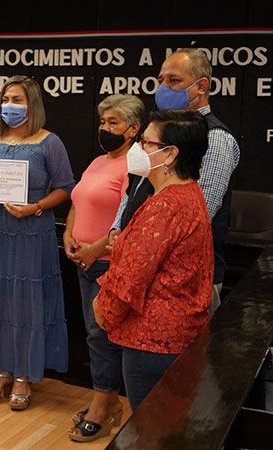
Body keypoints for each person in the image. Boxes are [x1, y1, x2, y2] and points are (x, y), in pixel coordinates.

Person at [0, 75, 75, 411]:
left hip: (31, 233)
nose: (9, 105)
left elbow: (66, 188)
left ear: (32, 105)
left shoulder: (49, 142)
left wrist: (35, 207)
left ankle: (24, 374)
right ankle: (0, 372)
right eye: (6, 99)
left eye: (18, 100)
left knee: (27, 304)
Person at [95, 110, 213, 416]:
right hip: (176, 336)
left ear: (170, 154)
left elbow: (131, 278)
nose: (137, 148)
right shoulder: (188, 193)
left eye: (146, 142)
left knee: (150, 430)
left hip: (152, 342)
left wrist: (104, 308)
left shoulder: (165, 205)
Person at [108, 48, 240, 316]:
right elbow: (134, 187)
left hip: (182, 281)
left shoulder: (215, 138)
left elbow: (198, 214)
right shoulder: (157, 131)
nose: (163, 88)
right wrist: (117, 228)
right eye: (160, 80)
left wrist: (137, 243)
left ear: (201, 86)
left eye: (174, 81)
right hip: (139, 266)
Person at [63, 95, 144, 442]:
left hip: (108, 264)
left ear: (134, 128)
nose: (105, 129)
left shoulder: (135, 165)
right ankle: (107, 401)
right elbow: (77, 202)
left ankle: (102, 409)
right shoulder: (98, 161)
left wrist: (95, 250)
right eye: (103, 122)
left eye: (113, 123)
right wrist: (68, 234)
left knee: (102, 336)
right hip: (83, 262)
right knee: (94, 335)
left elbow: (128, 219)